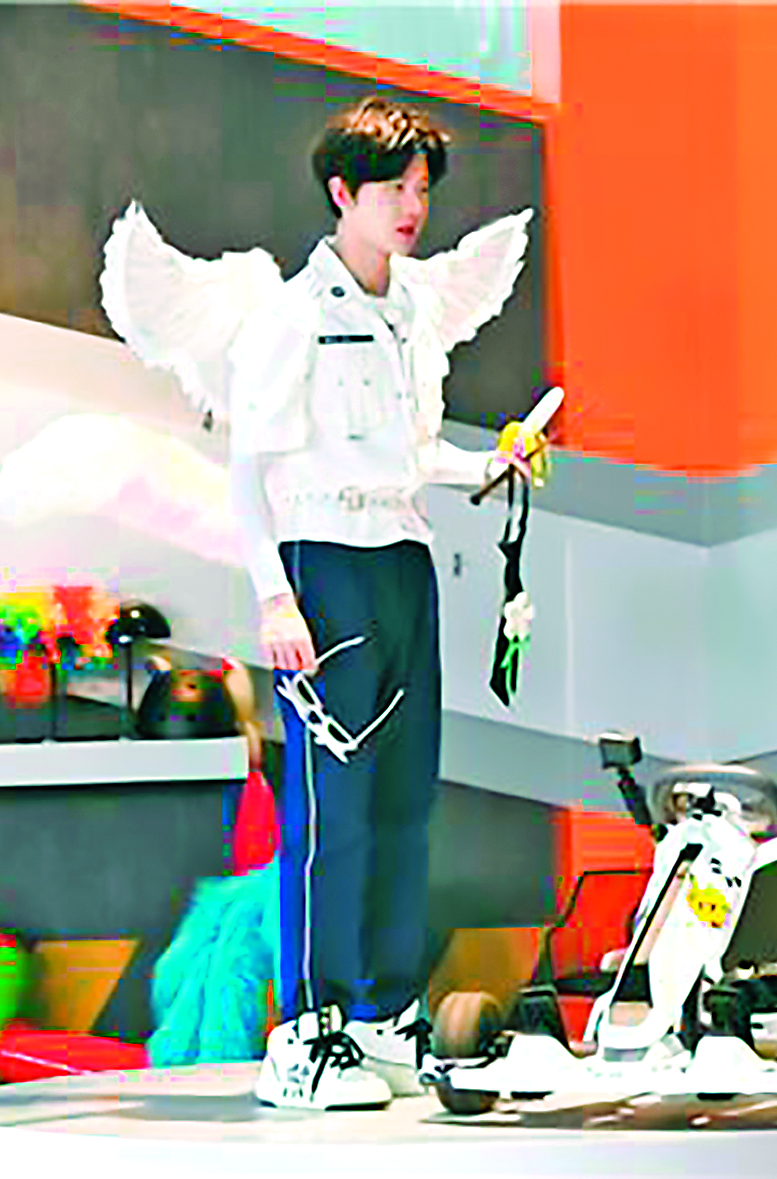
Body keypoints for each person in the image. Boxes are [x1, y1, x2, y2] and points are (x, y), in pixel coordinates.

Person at [222, 96, 546, 1110]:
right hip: (324, 567)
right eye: (393, 189)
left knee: (404, 801)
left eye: (420, 190)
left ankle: (382, 1013)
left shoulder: (407, 310)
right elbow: (246, 470)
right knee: (333, 812)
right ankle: (307, 1035)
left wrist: (488, 464)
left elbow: (408, 452)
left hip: (403, 558)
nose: (413, 207)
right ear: (341, 192)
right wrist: (275, 599)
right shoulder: (291, 316)